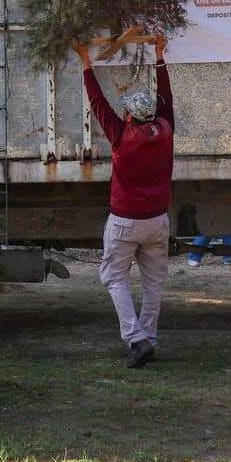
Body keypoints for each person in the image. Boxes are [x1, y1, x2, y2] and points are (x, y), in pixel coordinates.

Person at [73, 35, 174, 368]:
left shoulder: (121, 137)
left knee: (115, 277)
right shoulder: (165, 130)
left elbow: (98, 102)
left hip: (125, 221)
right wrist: (159, 56)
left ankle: (136, 338)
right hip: (157, 220)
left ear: (130, 116)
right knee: (154, 283)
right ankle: (149, 338)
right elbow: (167, 99)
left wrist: (86, 61)